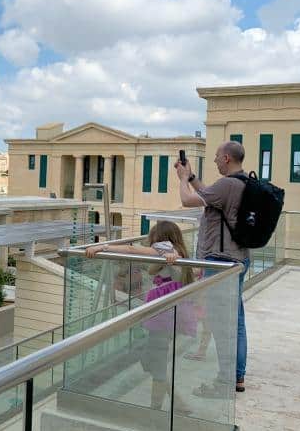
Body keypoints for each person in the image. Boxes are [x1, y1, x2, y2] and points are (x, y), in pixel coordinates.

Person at [86, 221, 196, 410]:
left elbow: (131, 250)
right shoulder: (177, 251)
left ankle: (157, 409)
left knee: (156, 363)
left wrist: (102, 246)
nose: (150, 243)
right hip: (171, 314)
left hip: (163, 316)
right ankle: (177, 402)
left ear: (159, 238)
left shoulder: (165, 248)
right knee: (153, 360)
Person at [174, 141, 250, 394]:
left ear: (227, 158)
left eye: (217, 157)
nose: (215, 161)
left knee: (222, 325)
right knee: (236, 321)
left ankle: (225, 381)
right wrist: (193, 177)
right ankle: (236, 376)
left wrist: (183, 179)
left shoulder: (227, 184)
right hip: (237, 257)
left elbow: (187, 200)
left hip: (220, 261)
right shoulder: (241, 182)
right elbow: (210, 195)